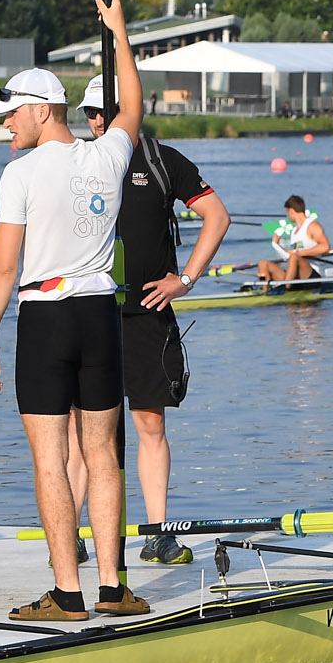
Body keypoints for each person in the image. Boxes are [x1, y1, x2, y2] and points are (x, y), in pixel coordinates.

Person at [0, 0, 144, 623]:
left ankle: (68, 595)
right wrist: (120, 33)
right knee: (102, 455)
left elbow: (2, 266)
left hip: (44, 319)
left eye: (14, 113)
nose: (7, 123)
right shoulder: (109, 156)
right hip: (101, 315)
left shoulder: (18, 176)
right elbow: (133, 104)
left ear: (45, 110)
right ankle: (111, 587)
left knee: (51, 458)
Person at [69, 71, 231, 565]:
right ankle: (70, 532)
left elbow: (217, 217)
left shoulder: (162, 161)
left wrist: (186, 279)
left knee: (149, 424)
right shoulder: (79, 161)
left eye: (103, 112)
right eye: (90, 114)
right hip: (90, 310)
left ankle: (158, 533)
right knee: (81, 430)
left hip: (146, 313)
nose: (96, 121)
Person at [258, 194, 328, 285]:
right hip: (295, 275)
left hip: (310, 275)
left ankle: (287, 287)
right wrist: (276, 244)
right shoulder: (294, 231)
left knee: (295, 257)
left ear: (290, 211)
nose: (288, 216)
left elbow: (325, 247)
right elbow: (289, 255)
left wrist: (300, 253)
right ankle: (264, 291)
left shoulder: (312, 226)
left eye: (287, 213)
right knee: (263, 263)